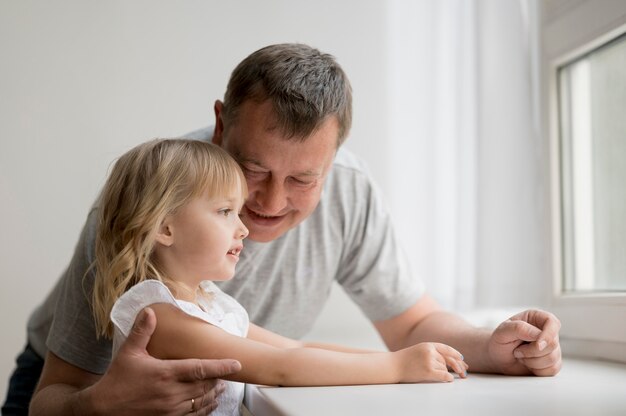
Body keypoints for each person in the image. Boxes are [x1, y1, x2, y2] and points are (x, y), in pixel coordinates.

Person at [4, 43, 562, 416]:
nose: (268, 204)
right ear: (221, 125)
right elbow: (53, 394)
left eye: (302, 178)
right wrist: (101, 404)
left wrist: (490, 350)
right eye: (252, 172)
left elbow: (408, 321)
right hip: (75, 390)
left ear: (334, 159)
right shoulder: (151, 201)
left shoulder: (347, 190)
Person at [97, 138, 469, 416]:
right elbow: (280, 368)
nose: (242, 228)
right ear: (165, 228)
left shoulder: (209, 303)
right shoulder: (159, 316)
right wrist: (396, 367)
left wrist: (402, 357)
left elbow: (294, 348)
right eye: (225, 211)